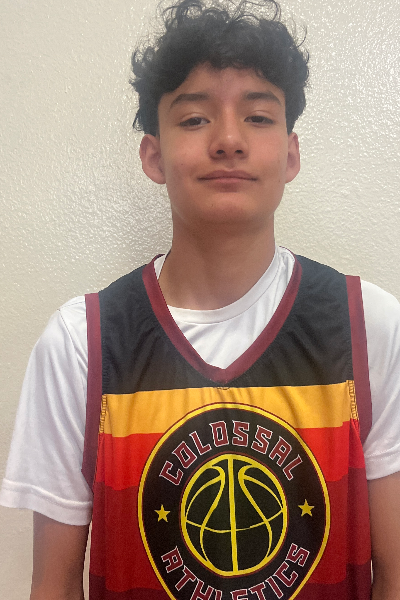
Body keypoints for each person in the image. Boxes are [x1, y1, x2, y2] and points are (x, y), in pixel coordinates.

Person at [1, 0, 400, 598]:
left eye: (258, 117)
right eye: (194, 119)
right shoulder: (81, 342)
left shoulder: (368, 326)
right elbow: (53, 586)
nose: (229, 140)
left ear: (291, 154)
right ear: (153, 156)